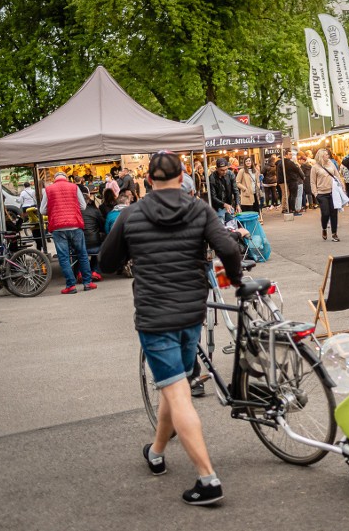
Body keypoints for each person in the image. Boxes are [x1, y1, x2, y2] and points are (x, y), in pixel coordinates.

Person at [99, 151, 245, 506]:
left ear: (149, 181)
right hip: (191, 313)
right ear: (182, 178)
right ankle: (157, 451)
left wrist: (131, 252)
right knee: (174, 382)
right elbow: (227, 247)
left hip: (155, 316)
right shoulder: (199, 209)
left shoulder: (131, 214)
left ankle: (208, 480)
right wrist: (237, 280)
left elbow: (105, 262)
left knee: (177, 392)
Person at [40, 172, 96, 294]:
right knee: (82, 254)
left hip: (58, 227)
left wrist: (53, 210)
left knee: (64, 257)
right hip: (75, 225)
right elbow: (83, 206)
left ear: (55, 179)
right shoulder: (74, 187)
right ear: (66, 178)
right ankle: (87, 283)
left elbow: (42, 210)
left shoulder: (48, 190)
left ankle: (71, 285)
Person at [311, 148, 342, 242]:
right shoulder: (315, 167)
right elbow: (312, 182)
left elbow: (337, 176)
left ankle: (334, 233)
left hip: (333, 192)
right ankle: (324, 228)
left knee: (334, 213)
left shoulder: (331, 164)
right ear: (321, 156)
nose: (327, 156)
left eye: (327, 154)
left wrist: (342, 187)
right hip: (321, 193)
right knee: (325, 213)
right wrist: (315, 193)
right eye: (325, 155)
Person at [81, 193, 105, 281]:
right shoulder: (95, 211)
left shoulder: (75, 211)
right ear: (88, 200)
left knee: (77, 253)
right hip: (94, 244)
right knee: (101, 249)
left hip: (80, 244)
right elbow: (102, 225)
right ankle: (95, 271)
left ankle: (79, 272)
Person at [208, 158, 239, 223]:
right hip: (217, 206)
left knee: (232, 225)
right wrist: (224, 204)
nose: (224, 172)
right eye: (222, 170)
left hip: (229, 204)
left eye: (226, 169)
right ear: (216, 168)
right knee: (220, 227)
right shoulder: (212, 177)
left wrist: (237, 204)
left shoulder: (230, 174)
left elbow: (235, 190)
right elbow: (213, 196)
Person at [280, 150, 304, 215]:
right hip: (292, 180)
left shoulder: (283, 162)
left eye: (291, 154)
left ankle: (290, 209)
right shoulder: (290, 162)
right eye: (289, 154)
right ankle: (293, 210)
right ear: (286, 155)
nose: (291, 155)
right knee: (293, 195)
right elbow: (297, 169)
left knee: (291, 195)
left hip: (289, 180)